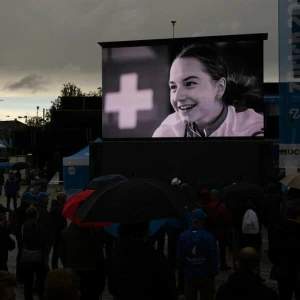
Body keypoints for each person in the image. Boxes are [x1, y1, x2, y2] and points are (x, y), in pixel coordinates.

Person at [153, 44, 264, 138]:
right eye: (173, 87)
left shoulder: (252, 130)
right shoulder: (168, 131)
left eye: (190, 83)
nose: (177, 97)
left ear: (220, 87)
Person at [108, 222, 177, 300]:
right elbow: (170, 289)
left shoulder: (117, 256)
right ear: (146, 233)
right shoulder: (157, 257)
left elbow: (112, 288)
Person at [177, 209, 219, 300]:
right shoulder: (209, 237)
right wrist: (213, 273)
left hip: (190, 274)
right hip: (205, 275)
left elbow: (180, 257)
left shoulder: (183, 236)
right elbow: (214, 258)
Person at [59, 223, 107, 300]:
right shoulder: (92, 233)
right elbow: (99, 256)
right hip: (91, 273)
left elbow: (62, 254)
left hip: (73, 272)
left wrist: (68, 266)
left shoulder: (65, 233)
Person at [268, 206, 300, 300]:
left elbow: (271, 253)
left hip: (283, 271)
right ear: (298, 217)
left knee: (284, 295)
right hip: (297, 271)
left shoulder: (278, 229)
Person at [21, 206, 47, 300]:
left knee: (28, 280)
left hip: (27, 255)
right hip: (38, 255)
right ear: (36, 215)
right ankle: (41, 296)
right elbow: (43, 241)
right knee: (40, 279)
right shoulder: (39, 225)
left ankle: (28, 297)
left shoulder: (24, 225)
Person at [205, 189, 231, 271]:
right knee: (222, 247)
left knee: (210, 247)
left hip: (211, 230)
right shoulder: (222, 206)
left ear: (212, 196)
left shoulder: (208, 206)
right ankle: (223, 264)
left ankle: (210, 263)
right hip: (220, 229)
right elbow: (227, 217)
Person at [49, 192, 67, 269]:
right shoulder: (59, 208)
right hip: (58, 232)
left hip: (55, 231)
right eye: (65, 198)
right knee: (59, 251)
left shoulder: (54, 207)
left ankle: (54, 267)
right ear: (62, 199)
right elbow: (61, 220)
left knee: (56, 251)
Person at [0, 206, 15, 271]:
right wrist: (6, 228)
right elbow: (4, 237)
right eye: (4, 213)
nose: (5, 215)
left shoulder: (2, 223)